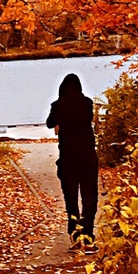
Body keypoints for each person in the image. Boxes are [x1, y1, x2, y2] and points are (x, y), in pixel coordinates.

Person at [46, 72, 99, 243]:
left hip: (68, 156)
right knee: (89, 194)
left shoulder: (57, 105)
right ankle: (88, 233)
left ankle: (74, 233)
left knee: (71, 196)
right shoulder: (87, 103)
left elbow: (49, 123)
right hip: (87, 155)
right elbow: (89, 119)